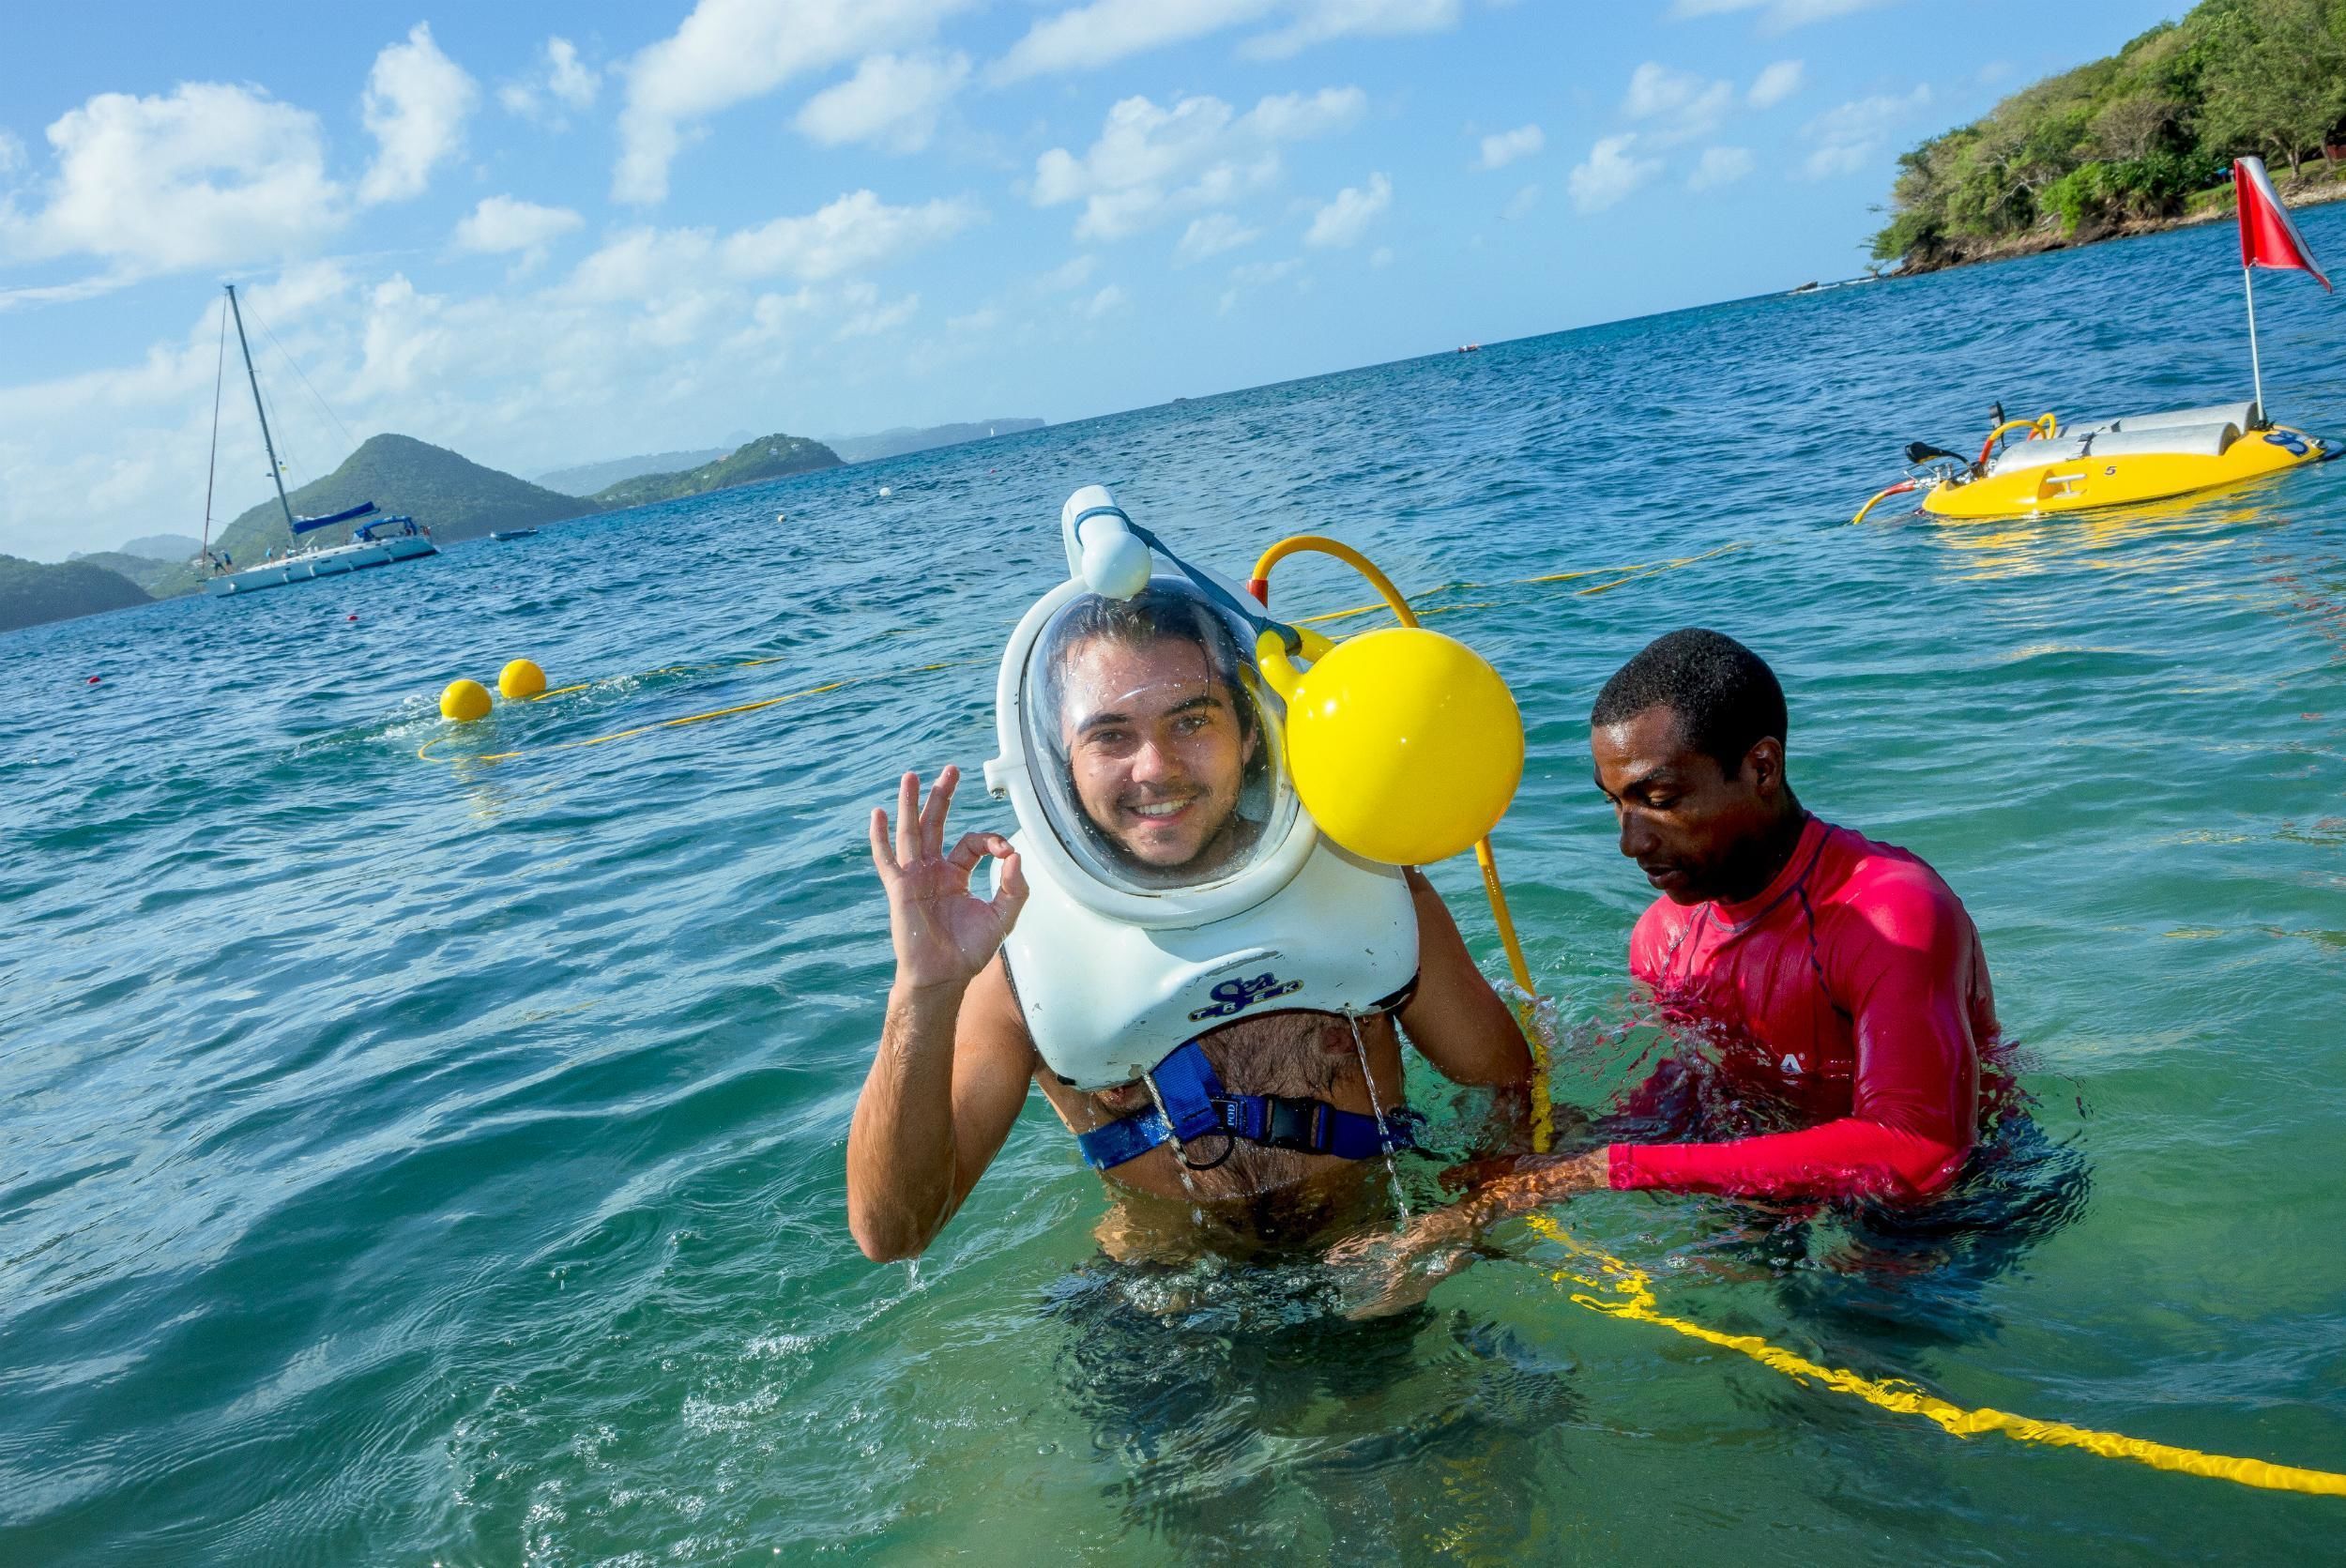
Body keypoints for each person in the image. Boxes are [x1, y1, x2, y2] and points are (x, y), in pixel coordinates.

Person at [847, 568, 1532, 1268]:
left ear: (1249, 731)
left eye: (1191, 719)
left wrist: (1460, 1220)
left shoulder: (1361, 878)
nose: (1155, 767)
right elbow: (896, 1234)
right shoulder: (1022, 947)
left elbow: (1514, 1098)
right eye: (1111, 736)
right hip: (1165, 1306)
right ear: (1061, 765)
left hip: (1377, 1258)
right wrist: (923, 990)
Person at [1339, 628, 1999, 1305]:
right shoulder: (1662, 935)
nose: (1630, 841)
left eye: (1657, 799)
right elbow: (1684, 1098)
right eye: (1614, 803)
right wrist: (1538, 1166)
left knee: (1861, 1327)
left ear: (1761, 768)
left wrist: (1608, 1167)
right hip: (1767, 1186)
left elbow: (1919, 1150)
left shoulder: (1892, 913)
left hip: (1939, 1214)